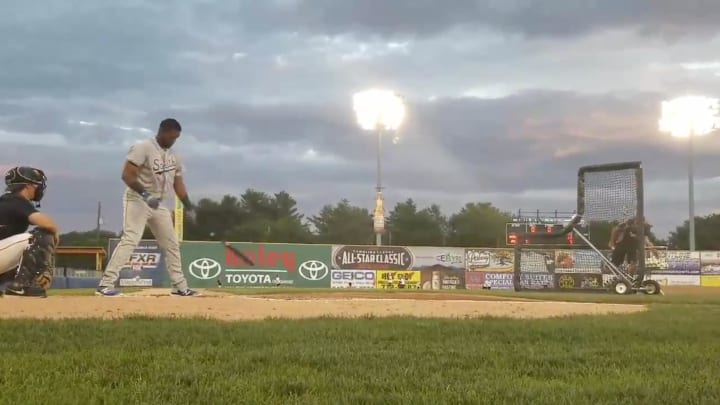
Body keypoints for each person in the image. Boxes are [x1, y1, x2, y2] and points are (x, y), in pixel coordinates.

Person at [96, 118, 199, 297]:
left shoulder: (175, 156)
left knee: (171, 244)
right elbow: (127, 175)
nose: (174, 141)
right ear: (163, 132)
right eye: (172, 137)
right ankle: (105, 284)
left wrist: (189, 206)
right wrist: (145, 195)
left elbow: (178, 183)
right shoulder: (143, 147)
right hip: (137, 199)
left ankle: (180, 287)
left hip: (159, 204)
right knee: (131, 239)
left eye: (176, 138)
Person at [0, 166, 60, 298]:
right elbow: (47, 223)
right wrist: (55, 234)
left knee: (24, 254)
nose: (39, 188)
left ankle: (14, 284)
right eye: (37, 184)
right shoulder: (16, 200)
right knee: (37, 236)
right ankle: (21, 286)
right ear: (28, 186)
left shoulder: (7, 200)